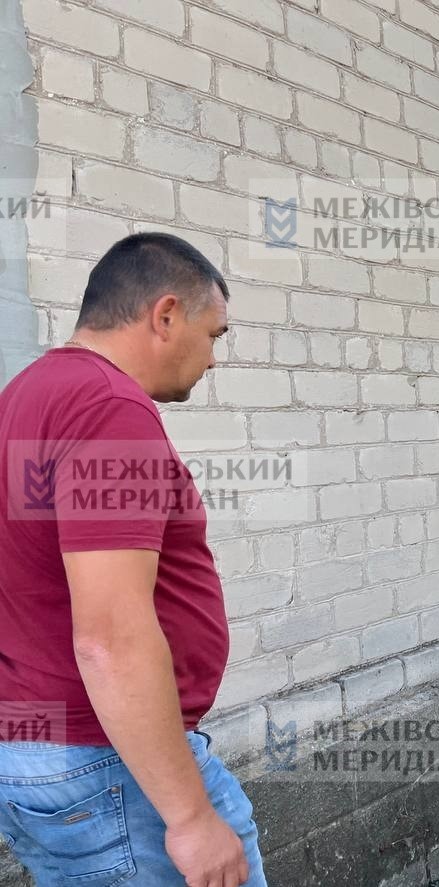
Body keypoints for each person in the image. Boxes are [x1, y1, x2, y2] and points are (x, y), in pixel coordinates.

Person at [0, 233, 265, 886]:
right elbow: (111, 638)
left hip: (43, 755)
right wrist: (191, 818)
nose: (213, 358)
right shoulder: (108, 408)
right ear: (165, 314)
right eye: (213, 334)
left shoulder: (25, 396)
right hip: (108, 768)